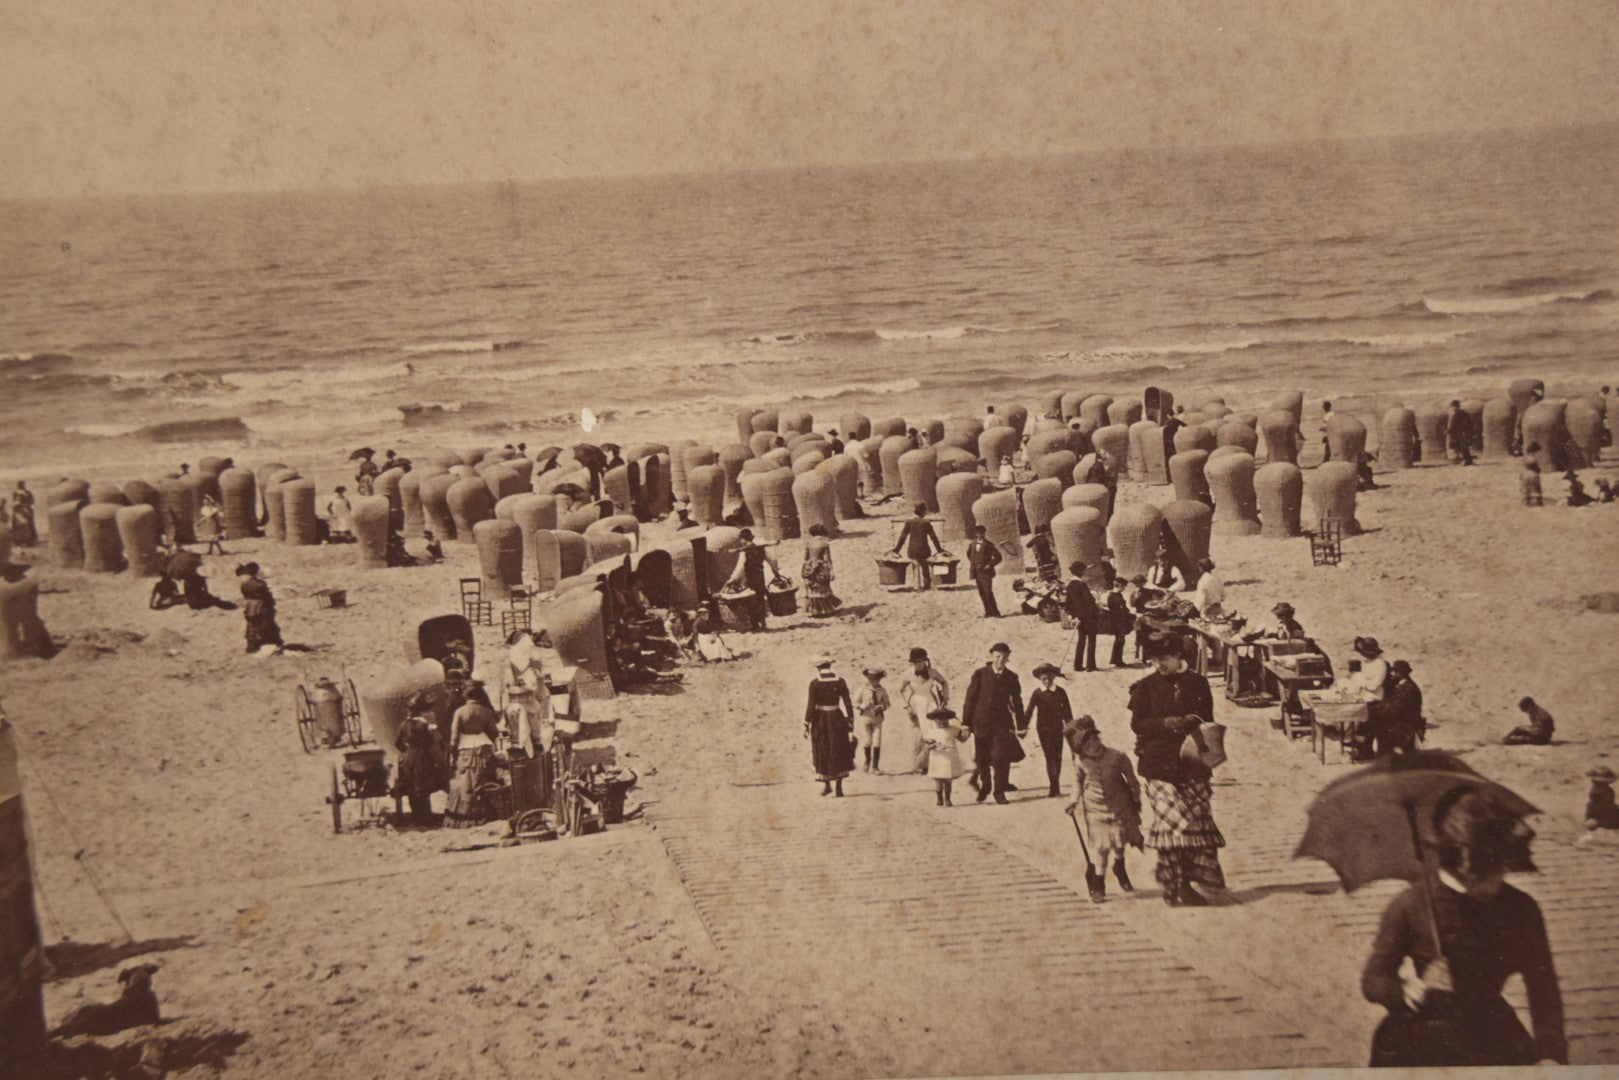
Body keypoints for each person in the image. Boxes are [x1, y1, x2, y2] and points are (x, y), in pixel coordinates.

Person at [1361, 788, 1566, 1066]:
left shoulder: (1521, 909)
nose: (1493, 883)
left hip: (1491, 1034)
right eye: (1480, 877)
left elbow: (1544, 990)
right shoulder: (1412, 905)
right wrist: (1403, 990)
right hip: (1419, 1036)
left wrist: (1550, 1053)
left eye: (1500, 871)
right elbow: (1374, 979)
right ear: (1453, 864)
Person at [1130, 634, 1224, 907]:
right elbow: (1138, 724)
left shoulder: (1198, 683)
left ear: (1178, 658)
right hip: (1158, 766)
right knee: (1173, 825)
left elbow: (1207, 717)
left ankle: (1185, 882)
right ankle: (1176, 884)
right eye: (1155, 660)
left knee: (1194, 825)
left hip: (1192, 764)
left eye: (1164, 659)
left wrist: (1190, 720)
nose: (1159, 664)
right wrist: (1164, 723)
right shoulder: (1145, 687)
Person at [1065, 716, 1142, 901]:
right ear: (1081, 747)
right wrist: (1072, 801)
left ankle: (1120, 866)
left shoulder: (1117, 757)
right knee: (1102, 848)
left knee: (1119, 842)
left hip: (1119, 805)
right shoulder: (1080, 762)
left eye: (1095, 739)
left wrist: (1136, 797)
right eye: (1088, 743)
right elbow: (1077, 783)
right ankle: (1099, 883)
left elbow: (1132, 780)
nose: (1094, 745)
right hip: (1095, 809)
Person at [961, 642, 1026, 804]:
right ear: (991, 655)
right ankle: (986, 784)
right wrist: (966, 723)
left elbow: (1017, 702)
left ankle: (999, 792)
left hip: (1002, 725)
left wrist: (1021, 725)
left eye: (1004, 656)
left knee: (1001, 758)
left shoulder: (1012, 677)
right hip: (981, 722)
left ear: (1008, 657)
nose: (1001, 659)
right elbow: (970, 700)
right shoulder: (980, 674)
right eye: (998, 656)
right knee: (982, 758)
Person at [445, 681, 500, 826]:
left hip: (465, 748)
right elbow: (494, 732)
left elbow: (454, 736)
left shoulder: (460, 712)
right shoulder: (485, 711)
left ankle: (464, 816)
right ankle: (484, 814)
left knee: (466, 780)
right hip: (483, 747)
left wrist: (452, 753)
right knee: (483, 778)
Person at [803, 655, 855, 797]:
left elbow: (811, 705)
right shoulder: (840, 681)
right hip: (837, 717)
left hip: (820, 719)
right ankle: (839, 788)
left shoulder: (814, 683)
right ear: (829, 666)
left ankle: (827, 786)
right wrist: (851, 719)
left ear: (818, 668)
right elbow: (848, 702)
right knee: (837, 748)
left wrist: (806, 722)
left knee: (822, 749)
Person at [395, 693, 447, 825]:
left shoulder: (403, 724)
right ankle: (426, 815)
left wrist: (406, 750)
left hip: (408, 757)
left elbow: (397, 743)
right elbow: (431, 742)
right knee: (423, 787)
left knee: (412, 787)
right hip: (423, 757)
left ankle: (416, 815)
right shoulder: (424, 724)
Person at [897, 647, 949, 776]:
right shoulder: (908, 674)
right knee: (918, 734)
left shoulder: (932, 672)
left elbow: (944, 682)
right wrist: (907, 706)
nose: (919, 664)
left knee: (933, 731)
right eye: (916, 662)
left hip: (931, 703)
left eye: (921, 661)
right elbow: (899, 691)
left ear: (926, 661)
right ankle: (919, 765)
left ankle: (933, 763)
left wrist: (945, 698)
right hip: (915, 704)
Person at [1025, 663, 1072, 797]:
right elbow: (1029, 712)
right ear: (1040, 678)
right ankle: (1054, 787)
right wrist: (1023, 726)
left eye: (1049, 678)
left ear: (1053, 678)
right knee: (1050, 756)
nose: (1046, 681)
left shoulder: (1061, 692)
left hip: (1058, 728)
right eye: (1044, 679)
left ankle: (1055, 785)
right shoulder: (1037, 693)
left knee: (1058, 756)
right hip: (1043, 729)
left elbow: (1068, 713)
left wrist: (1070, 728)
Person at [1364, 659, 1423, 759]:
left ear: (1400, 673)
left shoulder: (1409, 688)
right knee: (1373, 720)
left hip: (1406, 724)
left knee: (1379, 726)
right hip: (1401, 720)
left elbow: (1396, 706)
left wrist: (1376, 709)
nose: (1392, 674)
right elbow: (1392, 702)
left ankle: (1381, 756)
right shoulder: (1402, 685)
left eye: (1394, 672)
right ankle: (1373, 753)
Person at [726, 528, 781, 630]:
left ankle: (755, 624)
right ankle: (763, 623)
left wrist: (732, 579)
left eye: (741, 539)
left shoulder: (744, 552)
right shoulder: (760, 548)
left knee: (751, 600)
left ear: (743, 539)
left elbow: (740, 568)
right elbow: (771, 560)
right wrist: (776, 571)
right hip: (760, 575)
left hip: (750, 577)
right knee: (760, 598)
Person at [890, 504, 944, 590]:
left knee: (915, 564)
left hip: (912, 551)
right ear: (922, 512)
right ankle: (927, 584)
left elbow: (902, 538)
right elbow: (933, 537)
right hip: (924, 551)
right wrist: (939, 550)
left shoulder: (909, 523)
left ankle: (916, 585)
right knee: (925, 565)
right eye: (925, 511)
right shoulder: (926, 523)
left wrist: (896, 550)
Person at [236, 563, 282, 655]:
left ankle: (252, 646)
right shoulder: (261, 584)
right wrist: (272, 605)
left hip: (249, 607)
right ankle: (272, 645)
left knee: (251, 626)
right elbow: (268, 598)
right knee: (268, 626)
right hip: (262, 607)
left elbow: (245, 596)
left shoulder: (244, 585)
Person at [1064, 562, 1100, 672]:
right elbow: (1089, 600)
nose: (1084, 572)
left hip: (1079, 618)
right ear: (1080, 571)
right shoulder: (1082, 585)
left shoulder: (1070, 585)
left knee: (1081, 640)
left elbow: (1068, 604)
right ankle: (1090, 665)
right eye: (1083, 570)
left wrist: (1073, 615)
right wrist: (1096, 609)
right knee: (1091, 640)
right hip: (1088, 616)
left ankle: (1077, 665)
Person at [854, 667, 890, 773]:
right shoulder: (862, 689)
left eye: (876, 679)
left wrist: (881, 707)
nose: (874, 682)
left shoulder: (882, 690)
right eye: (871, 679)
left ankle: (875, 766)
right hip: (865, 718)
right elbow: (855, 702)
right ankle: (867, 761)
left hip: (877, 719)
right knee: (866, 742)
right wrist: (863, 705)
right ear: (868, 679)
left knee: (877, 742)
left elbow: (887, 703)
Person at [801, 524, 839, 616]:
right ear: (822, 533)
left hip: (809, 567)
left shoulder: (808, 543)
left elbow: (805, 557)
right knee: (823, 587)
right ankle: (825, 610)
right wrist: (831, 570)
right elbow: (827, 558)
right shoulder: (824, 544)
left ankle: (814, 610)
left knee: (813, 588)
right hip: (820, 567)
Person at [965, 524, 1001, 618]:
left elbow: (998, 557)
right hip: (976, 572)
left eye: (982, 533)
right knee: (981, 593)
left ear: (984, 533)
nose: (980, 535)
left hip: (986, 573)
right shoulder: (972, 544)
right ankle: (988, 612)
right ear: (976, 534)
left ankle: (996, 612)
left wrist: (989, 565)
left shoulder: (988, 544)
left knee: (988, 592)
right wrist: (974, 564)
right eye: (978, 533)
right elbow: (969, 554)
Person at [1105, 578, 1133, 667]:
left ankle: (1115, 659)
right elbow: (1121, 610)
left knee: (1119, 640)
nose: (1124, 589)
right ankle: (1118, 661)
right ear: (1120, 586)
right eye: (1124, 587)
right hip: (1119, 621)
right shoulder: (1116, 596)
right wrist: (1129, 613)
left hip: (1116, 620)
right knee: (1120, 640)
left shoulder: (1112, 595)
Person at [1585, 766, 1619, 830]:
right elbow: (1608, 808)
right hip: (1605, 817)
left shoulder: (1593, 790)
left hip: (1598, 816)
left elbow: (1591, 806)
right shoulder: (1608, 791)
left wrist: (1589, 817)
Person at [1446, 400, 1475, 465]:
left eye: (1453, 407)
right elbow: (1469, 423)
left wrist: (1448, 431)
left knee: (1462, 448)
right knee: (1462, 448)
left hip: (1460, 434)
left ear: (1456, 406)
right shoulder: (1463, 413)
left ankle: (1467, 460)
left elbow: (1453, 424)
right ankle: (1466, 460)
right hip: (1463, 433)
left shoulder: (1457, 414)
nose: (1452, 408)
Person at [10, 482, 36, 547]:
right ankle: (19, 541)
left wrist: (29, 508)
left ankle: (29, 541)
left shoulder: (28, 493)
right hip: (19, 511)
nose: (21, 486)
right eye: (20, 485)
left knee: (28, 526)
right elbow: (14, 503)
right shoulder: (16, 493)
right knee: (19, 526)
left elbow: (32, 501)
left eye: (22, 485)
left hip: (26, 510)